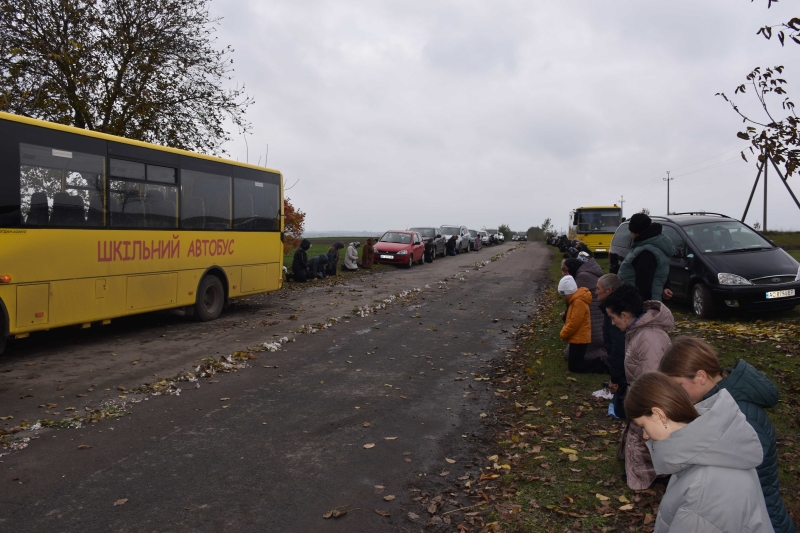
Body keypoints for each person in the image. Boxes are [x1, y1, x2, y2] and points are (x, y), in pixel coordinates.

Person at [660, 337, 796, 533]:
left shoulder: (743, 416)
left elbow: (734, 484)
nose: (676, 395)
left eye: (678, 386)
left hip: (759, 520)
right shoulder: (715, 405)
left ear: (700, 376)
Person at [625, 372, 774, 533]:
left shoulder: (705, 488)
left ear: (659, 415)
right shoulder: (703, 451)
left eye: (643, 426)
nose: (645, 436)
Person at [602, 283, 674, 489]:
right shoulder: (638, 333)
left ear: (625, 315)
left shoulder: (648, 338)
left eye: (613, 318)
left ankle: (654, 473)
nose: (613, 324)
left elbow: (653, 386)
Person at [617, 213, 674, 301]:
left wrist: (640, 309)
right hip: (648, 301)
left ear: (635, 232)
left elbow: (643, 285)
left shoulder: (646, 252)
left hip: (640, 304)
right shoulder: (655, 243)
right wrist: (665, 287)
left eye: (631, 230)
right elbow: (660, 271)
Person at [558, 275, 608, 374]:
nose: (564, 298)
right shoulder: (575, 301)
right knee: (574, 364)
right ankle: (600, 364)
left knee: (575, 366)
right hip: (577, 338)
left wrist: (563, 333)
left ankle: (601, 364)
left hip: (580, 338)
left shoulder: (578, 302)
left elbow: (574, 323)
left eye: (564, 295)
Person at [565, 255, 606, 361]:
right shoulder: (588, 273)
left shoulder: (582, 277)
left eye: (565, 270)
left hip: (593, 326)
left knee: (570, 357)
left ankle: (603, 358)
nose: (563, 274)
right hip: (598, 322)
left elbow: (574, 303)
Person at [597, 273, 626, 419]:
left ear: (608, 291)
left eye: (598, 289)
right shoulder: (610, 309)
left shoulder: (614, 313)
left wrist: (615, 378)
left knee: (619, 410)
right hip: (621, 368)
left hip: (624, 371)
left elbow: (619, 348)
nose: (595, 292)